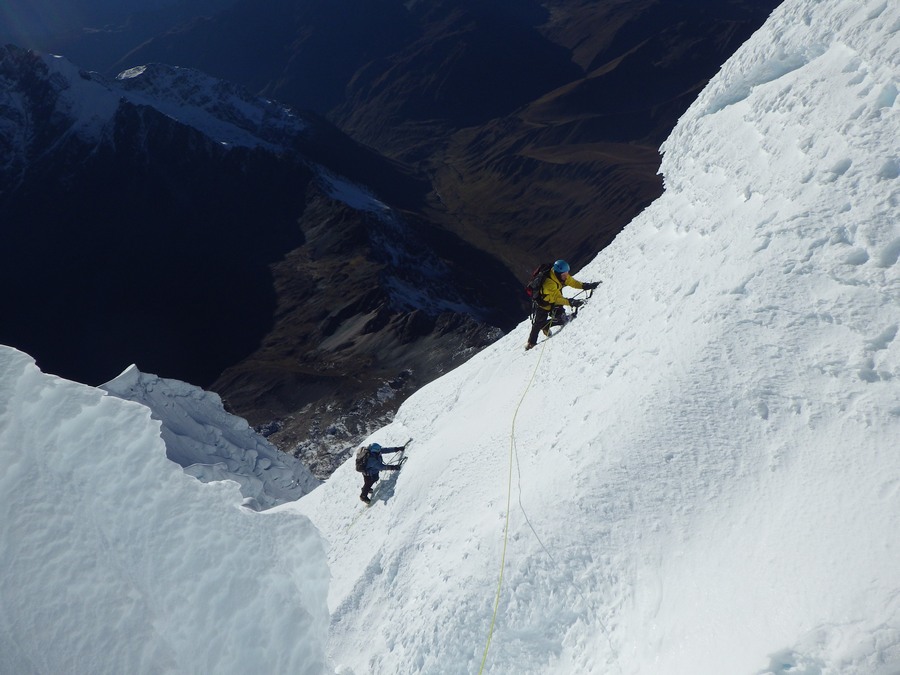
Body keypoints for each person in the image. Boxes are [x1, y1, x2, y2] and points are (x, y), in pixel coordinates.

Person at [526, 259, 600, 350]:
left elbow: (571, 281)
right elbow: (557, 299)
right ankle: (531, 344)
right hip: (543, 303)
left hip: (554, 300)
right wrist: (571, 302)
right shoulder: (549, 283)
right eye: (564, 275)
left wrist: (585, 286)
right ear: (558, 274)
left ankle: (545, 326)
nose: (566, 276)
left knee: (561, 319)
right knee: (537, 324)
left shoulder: (560, 275)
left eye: (566, 273)